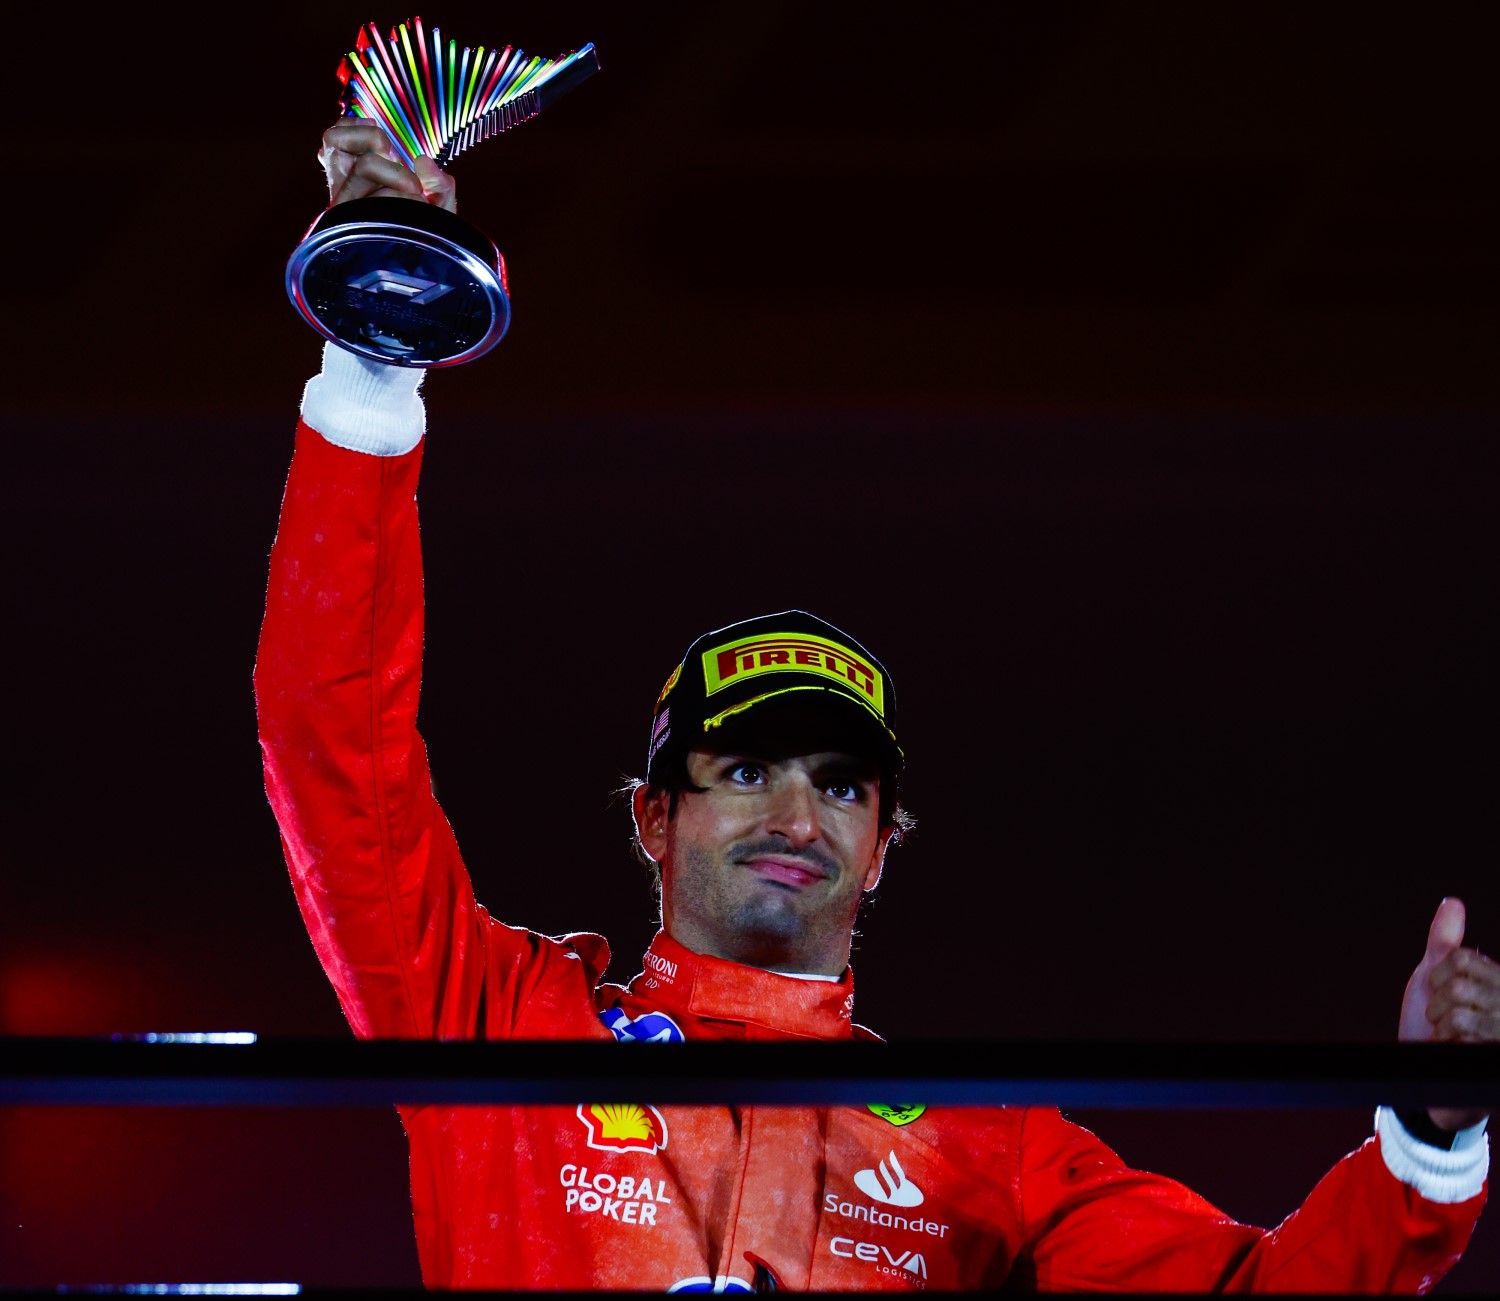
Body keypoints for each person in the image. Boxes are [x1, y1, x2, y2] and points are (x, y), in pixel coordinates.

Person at [253, 121, 1496, 1293]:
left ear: (883, 847)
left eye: (841, 782)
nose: (797, 809)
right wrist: (375, 358)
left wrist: (1429, 1138)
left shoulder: (985, 1140)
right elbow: (335, 746)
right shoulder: (499, 1025)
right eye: (746, 770)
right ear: (652, 816)